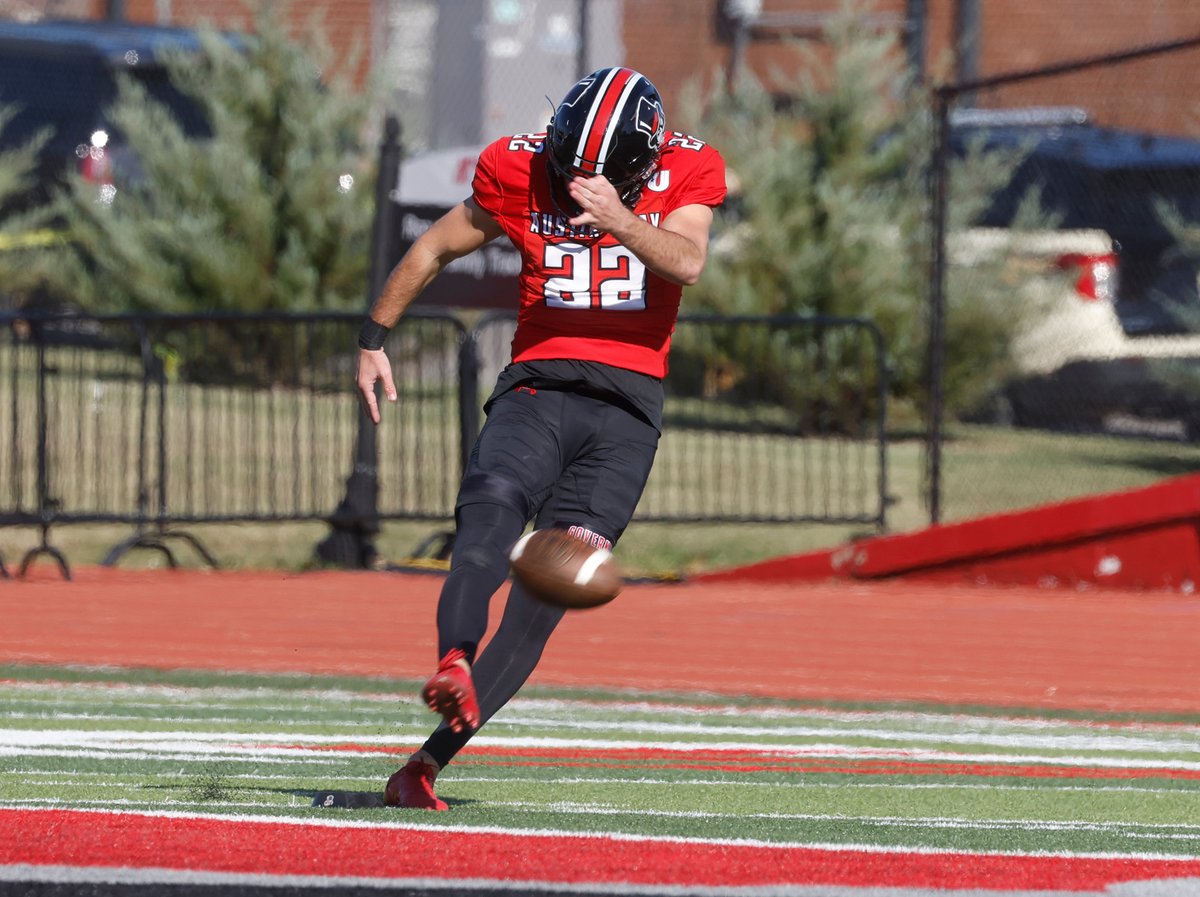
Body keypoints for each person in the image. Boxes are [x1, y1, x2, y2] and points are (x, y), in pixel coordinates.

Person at [355, 66, 726, 810]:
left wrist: (620, 218)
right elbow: (433, 248)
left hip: (625, 413)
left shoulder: (689, 166)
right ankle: (453, 658)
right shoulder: (517, 165)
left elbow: (687, 261)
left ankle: (423, 767)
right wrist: (373, 338)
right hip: (539, 383)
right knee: (490, 511)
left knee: (543, 594)